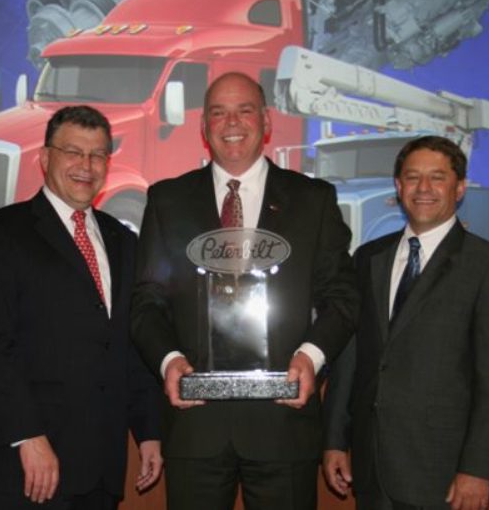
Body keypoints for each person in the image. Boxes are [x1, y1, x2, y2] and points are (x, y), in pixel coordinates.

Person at [131, 71, 358, 509]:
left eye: (244, 110)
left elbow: (343, 297)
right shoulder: (167, 200)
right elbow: (146, 302)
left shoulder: (313, 200)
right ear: (203, 127)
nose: (231, 122)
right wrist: (169, 360)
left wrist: (309, 358)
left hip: (283, 423)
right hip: (194, 425)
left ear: (266, 121)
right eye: (218, 112)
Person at [0, 105, 162, 510]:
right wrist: (28, 437)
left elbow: (127, 347)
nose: (85, 166)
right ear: (44, 158)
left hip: (102, 465)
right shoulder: (1, 232)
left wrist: (148, 432)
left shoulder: (122, 242)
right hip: (33, 464)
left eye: (97, 155)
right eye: (73, 152)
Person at [322, 135, 489, 510]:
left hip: (444, 473)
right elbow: (351, 357)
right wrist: (336, 439)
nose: (424, 189)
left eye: (437, 177)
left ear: (460, 188)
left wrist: (479, 469)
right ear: (398, 187)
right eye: (412, 177)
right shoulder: (368, 258)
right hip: (372, 469)